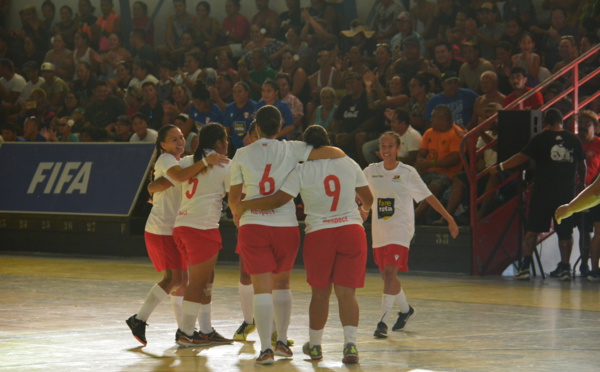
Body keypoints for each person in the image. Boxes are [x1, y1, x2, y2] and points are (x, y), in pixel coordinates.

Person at [235, 125, 373, 364]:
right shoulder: (349, 162)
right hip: (352, 230)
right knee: (347, 294)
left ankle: (316, 346)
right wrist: (363, 210)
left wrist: (246, 205)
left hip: (320, 233)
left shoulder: (301, 169)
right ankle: (350, 346)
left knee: (320, 294)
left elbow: (279, 199)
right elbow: (369, 198)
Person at [126, 124, 228, 346]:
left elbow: (158, 185)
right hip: (162, 228)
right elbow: (179, 178)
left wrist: (152, 188)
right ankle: (142, 319)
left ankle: (188, 330)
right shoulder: (167, 160)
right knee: (175, 280)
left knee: (181, 282)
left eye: (181, 137)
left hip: (175, 228)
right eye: (173, 139)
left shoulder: (184, 161)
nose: (180, 141)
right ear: (162, 145)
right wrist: (205, 162)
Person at [363, 130, 458, 340]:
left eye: (390, 146)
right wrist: (361, 211)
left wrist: (449, 218)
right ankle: (406, 310)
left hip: (401, 229)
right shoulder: (370, 171)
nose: (386, 150)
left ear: (398, 149)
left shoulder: (407, 172)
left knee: (389, 275)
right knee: (388, 277)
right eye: (383, 146)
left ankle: (382, 322)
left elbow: (428, 196)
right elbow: (362, 197)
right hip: (379, 230)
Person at [491, 108, 585, 281]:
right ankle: (565, 268)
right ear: (561, 121)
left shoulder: (539, 139)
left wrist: (501, 167)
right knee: (565, 233)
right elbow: (582, 165)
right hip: (566, 194)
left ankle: (525, 267)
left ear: (544, 122)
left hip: (543, 193)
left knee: (532, 230)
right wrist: (581, 185)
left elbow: (521, 157)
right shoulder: (574, 139)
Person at [167, 123, 233, 346]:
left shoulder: (186, 161)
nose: (227, 144)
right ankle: (186, 332)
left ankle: (205, 330)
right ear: (218, 143)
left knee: (206, 278)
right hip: (201, 229)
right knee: (197, 282)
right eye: (225, 140)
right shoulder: (224, 165)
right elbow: (235, 196)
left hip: (183, 226)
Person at [223, 81, 256, 152]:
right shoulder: (229, 109)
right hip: (235, 148)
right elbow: (226, 130)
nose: (236, 94)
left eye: (239, 91)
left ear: (247, 93)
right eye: (234, 92)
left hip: (253, 148)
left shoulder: (255, 108)